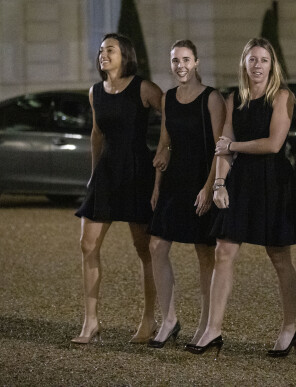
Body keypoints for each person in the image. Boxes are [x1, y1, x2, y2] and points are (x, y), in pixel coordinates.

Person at [187, 38, 296, 359]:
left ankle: (289, 328)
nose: (257, 66)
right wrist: (219, 183)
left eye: (263, 60)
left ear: (272, 64)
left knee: (279, 257)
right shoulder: (233, 99)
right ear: (244, 63)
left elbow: (273, 144)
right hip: (240, 181)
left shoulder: (282, 97)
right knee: (224, 251)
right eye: (252, 60)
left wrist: (233, 149)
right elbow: (224, 142)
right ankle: (213, 329)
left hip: (273, 181)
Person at [72, 33, 162, 344]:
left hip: (138, 171)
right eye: (100, 51)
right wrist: (93, 174)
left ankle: (150, 320)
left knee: (145, 249)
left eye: (109, 50)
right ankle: (91, 321)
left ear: (125, 55)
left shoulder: (144, 88)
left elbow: (173, 118)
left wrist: (165, 151)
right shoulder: (95, 91)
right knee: (88, 245)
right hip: (107, 173)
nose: (102, 55)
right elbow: (97, 134)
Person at [146, 40, 226, 348]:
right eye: (175, 60)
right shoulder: (168, 97)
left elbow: (221, 147)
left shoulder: (212, 98)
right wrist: (156, 185)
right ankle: (169, 319)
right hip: (173, 181)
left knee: (205, 254)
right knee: (156, 247)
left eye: (185, 59)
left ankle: (208, 325)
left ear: (196, 62)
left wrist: (209, 188)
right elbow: (164, 143)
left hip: (200, 180)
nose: (180, 65)